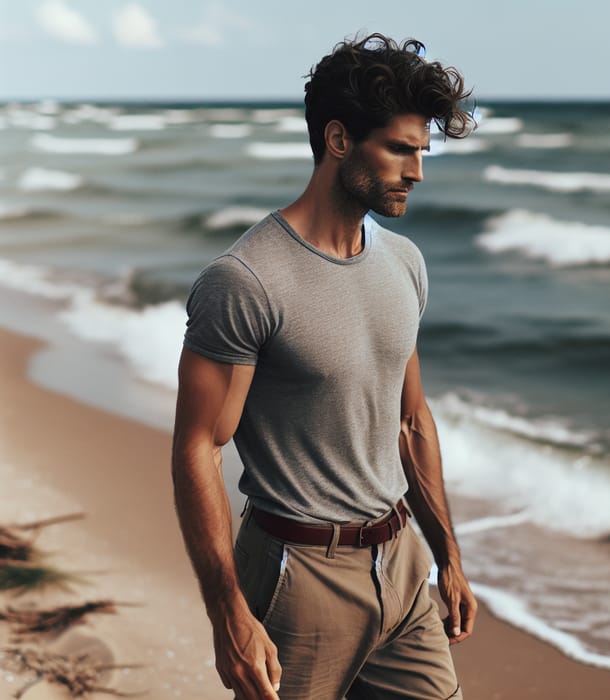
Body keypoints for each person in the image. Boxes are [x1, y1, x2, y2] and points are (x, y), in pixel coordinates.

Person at [172, 33, 478, 700]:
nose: (417, 172)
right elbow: (199, 445)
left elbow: (410, 419)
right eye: (400, 149)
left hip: (401, 567)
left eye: (422, 153)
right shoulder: (245, 280)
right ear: (338, 140)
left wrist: (448, 558)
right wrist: (227, 613)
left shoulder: (405, 264)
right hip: (297, 574)